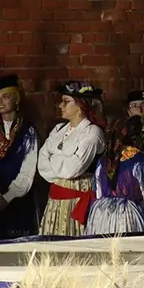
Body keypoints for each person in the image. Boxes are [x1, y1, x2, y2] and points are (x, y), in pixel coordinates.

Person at [38, 81, 107, 236]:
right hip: (56, 199)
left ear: (80, 106)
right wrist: (61, 162)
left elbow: (73, 168)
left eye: (66, 102)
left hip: (77, 199)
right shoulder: (58, 129)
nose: (61, 106)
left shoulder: (92, 133)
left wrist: (53, 157)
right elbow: (42, 162)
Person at [86, 115, 144, 235]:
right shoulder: (139, 160)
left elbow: (98, 193)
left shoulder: (103, 160)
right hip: (128, 218)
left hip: (102, 216)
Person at [0, 75, 39, 238]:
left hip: (18, 200)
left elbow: (27, 171)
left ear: (16, 99)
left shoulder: (28, 131)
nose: (0, 102)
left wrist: (6, 198)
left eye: (5, 97)